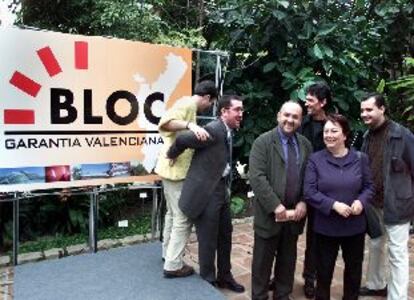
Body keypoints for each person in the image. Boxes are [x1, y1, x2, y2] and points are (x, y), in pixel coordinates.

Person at [167, 95, 245, 292]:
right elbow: (183, 138)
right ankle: (208, 281)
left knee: (225, 235)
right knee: (208, 239)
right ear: (224, 112)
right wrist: (172, 155)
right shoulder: (213, 130)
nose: (241, 114)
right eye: (237, 110)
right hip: (207, 194)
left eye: (241, 110)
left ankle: (225, 276)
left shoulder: (228, 130)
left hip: (220, 190)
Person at [304, 114, 374, 300]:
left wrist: (361, 201)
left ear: (345, 135)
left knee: (353, 272)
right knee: (324, 273)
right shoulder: (315, 160)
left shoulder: (360, 159)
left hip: (354, 226)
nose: (329, 135)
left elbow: (369, 187)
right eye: (326, 131)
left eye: (334, 130)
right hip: (326, 227)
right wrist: (333, 205)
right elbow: (309, 192)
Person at [154, 80, 218, 278]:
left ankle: (168, 254)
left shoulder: (186, 104)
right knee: (183, 217)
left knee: (172, 214)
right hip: (176, 172)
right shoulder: (188, 104)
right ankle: (173, 265)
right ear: (207, 97)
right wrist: (191, 124)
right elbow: (165, 123)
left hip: (169, 169)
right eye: (211, 103)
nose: (209, 107)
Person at [249, 101, 312, 300]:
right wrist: (276, 206)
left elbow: (309, 177)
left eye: (295, 117)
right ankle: (259, 296)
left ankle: (282, 294)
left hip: (294, 215)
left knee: (288, 260)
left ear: (300, 120)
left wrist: (303, 201)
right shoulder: (263, 142)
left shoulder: (305, 144)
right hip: (270, 215)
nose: (290, 120)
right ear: (278, 116)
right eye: (286, 115)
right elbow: (257, 177)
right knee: (262, 262)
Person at [359, 93, 414, 300]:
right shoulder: (367, 135)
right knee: (375, 243)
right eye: (362, 110)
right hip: (373, 203)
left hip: (397, 203)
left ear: (382, 109)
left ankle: (397, 297)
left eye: (369, 109)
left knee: (397, 252)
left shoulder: (402, 135)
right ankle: (376, 284)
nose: (364, 114)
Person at [297, 82, 330, 298]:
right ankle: (280, 275)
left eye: (310, 100)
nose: (306, 103)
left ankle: (310, 278)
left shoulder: (334, 124)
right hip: (298, 188)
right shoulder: (301, 123)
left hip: (322, 191)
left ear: (323, 102)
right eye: (306, 99)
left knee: (315, 239)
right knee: (288, 234)